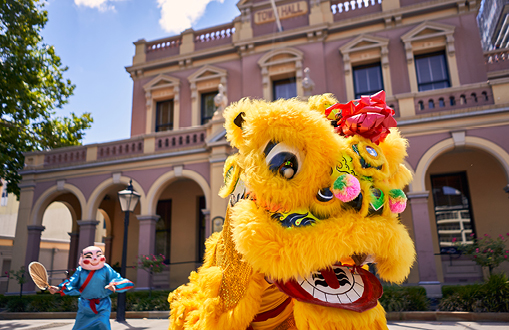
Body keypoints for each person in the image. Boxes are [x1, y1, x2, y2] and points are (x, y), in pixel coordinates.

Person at [49, 246, 133, 330]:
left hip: (102, 305)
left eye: (98, 255)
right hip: (85, 305)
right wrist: (58, 288)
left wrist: (114, 284)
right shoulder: (80, 270)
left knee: (103, 324)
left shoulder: (106, 269)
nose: (95, 259)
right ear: (82, 257)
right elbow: (71, 282)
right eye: (89, 256)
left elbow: (119, 279)